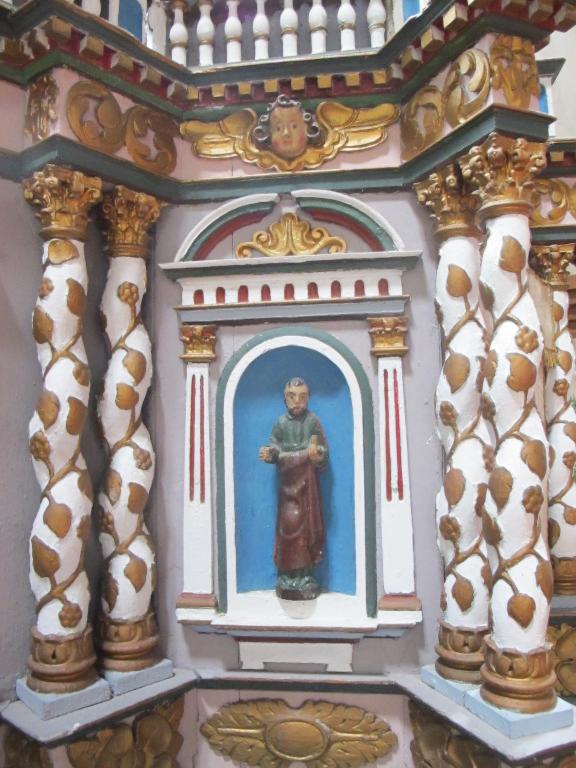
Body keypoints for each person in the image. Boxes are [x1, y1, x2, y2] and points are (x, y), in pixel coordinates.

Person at [259, 378, 328, 600]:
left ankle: (305, 575)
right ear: (285, 399)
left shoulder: (312, 422)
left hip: (308, 487)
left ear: (308, 398)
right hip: (288, 486)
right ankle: (287, 575)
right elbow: (274, 447)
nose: (297, 401)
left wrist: (317, 454)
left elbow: (322, 452)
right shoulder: (280, 423)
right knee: (288, 527)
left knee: (307, 528)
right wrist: (270, 453)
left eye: (302, 397)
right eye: (292, 397)